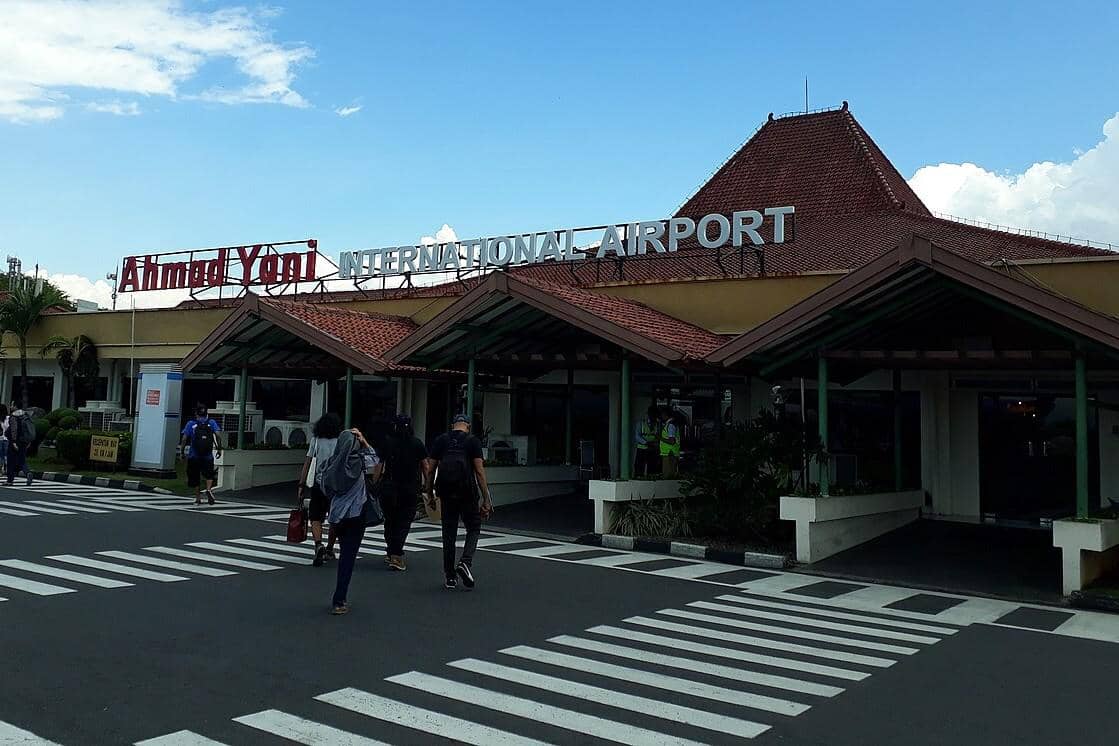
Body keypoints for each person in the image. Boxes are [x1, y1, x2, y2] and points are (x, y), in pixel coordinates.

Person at [426, 413, 492, 590]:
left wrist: (429, 494)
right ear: (468, 426)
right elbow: (479, 472)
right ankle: (465, 562)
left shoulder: (441, 440)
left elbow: (431, 469)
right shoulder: (472, 442)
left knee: (449, 533)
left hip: (446, 493)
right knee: (473, 527)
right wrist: (486, 499)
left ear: (453, 425)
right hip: (467, 493)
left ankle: (450, 577)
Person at [322, 428, 378, 615]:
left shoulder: (331, 463)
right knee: (348, 556)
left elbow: (324, 485)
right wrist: (364, 441)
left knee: (344, 550)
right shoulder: (359, 461)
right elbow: (375, 459)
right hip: (356, 513)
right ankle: (339, 599)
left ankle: (339, 599)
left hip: (337, 515)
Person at [378, 414, 430, 571]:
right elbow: (426, 466)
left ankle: (391, 550)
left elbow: (379, 466)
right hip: (409, 488)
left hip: (388, 486)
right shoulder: (417, 443)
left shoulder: (388, 442)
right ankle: (396, 555)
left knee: (390, 520)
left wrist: (375, 482)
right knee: (403, 522)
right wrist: (429, 485)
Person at [297, 412, 343, 567]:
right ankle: (330, 548)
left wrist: (301, 484)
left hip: (319, 484)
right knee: (334, 518)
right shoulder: (341, 442)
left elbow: (308, 463)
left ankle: (318, 544)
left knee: (316, 517)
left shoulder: (316, 441)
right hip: (336, 486)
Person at [180, 404, 223, 505]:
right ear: (206, 413)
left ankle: (198, 498)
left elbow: (184, 439)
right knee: (209, 474)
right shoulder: (211, 422)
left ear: (196, 413)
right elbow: (218, 435)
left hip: (194, 455)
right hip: (207, 455)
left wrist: (182, 452)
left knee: (195, 476)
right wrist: (219, 448)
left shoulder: (191, 423)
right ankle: (208, 489)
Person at [4, 401, 34, 486]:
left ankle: (10, 480)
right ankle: (27, 472)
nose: (10, 407)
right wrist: (29, 441)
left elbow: (14, 430)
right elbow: (29, 429)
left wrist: (13, 442)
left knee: (10, 461)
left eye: (12, 405)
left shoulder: (14, 416)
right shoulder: (26, 415)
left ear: (16, 406)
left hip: (15, 441)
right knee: (22, 460)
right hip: (24, 441)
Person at [634, 405, 660, 476]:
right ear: (648, 414)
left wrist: (655, 444)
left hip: (652, 449)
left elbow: (658, 436)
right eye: (652, 414)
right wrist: (646, 443)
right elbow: (637, 436)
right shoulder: (641, 423)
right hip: (642, 449)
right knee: (639, 469)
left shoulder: (657, 425)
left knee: (652, 470)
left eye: (655, 415)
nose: (654, 417)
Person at [659, 407, 681, 477]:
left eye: (662, 414)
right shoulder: (669, 425)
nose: (661, 416)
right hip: (669, 454)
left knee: (668, 476)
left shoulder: (670, 425)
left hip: (670, 454)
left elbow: (672, 441)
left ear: (665, 414)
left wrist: (660, 438)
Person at [0, 403, 9, 478]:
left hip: (3, 439)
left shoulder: (7, 418)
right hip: (6, 439)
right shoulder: (8, 418)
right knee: (4, 455)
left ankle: (3, 469)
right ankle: (4, 469)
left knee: (3, 455)